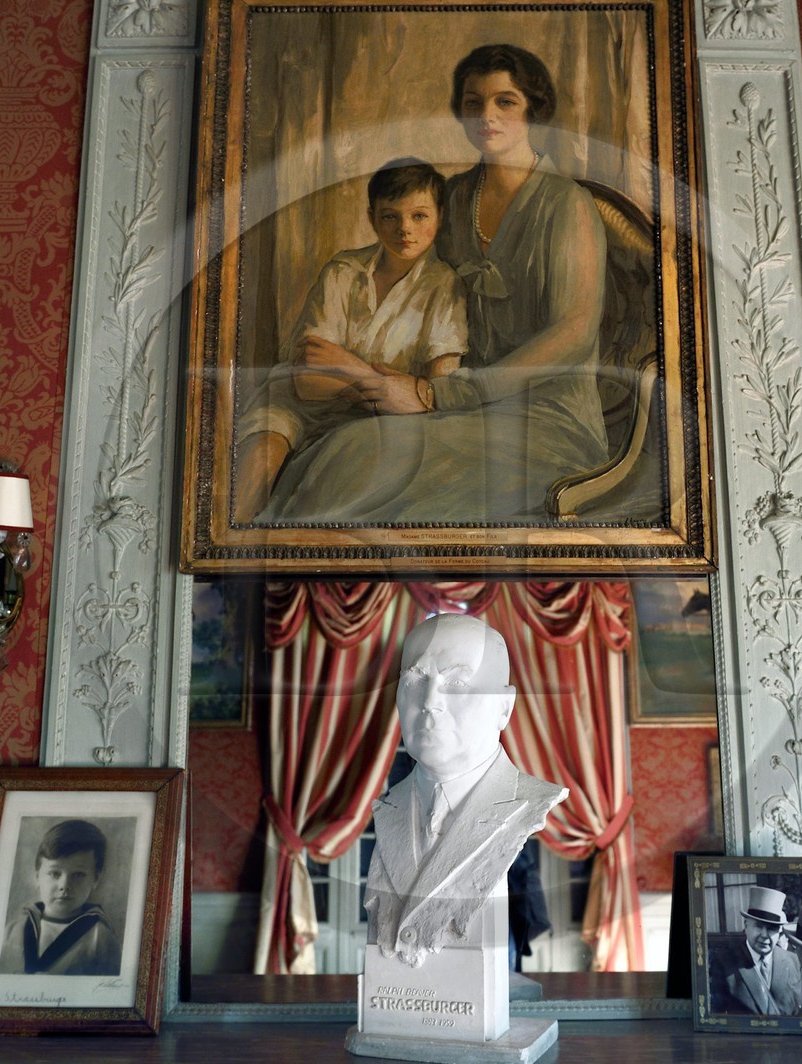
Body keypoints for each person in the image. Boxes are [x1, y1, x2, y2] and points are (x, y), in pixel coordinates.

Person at [262, 43, 608, 523]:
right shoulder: (455, 197)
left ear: (534, 107)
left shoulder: (566, 204)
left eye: (504, 101)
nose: (487, 115)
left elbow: (573, 334)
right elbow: (409, 293)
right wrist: (370, 373)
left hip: (546, 420)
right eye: (473, 103)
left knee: (362, 456)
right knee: (343, 447)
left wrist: (435, 395)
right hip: (457, 406)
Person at [232, 157, 467, 521]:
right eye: (390, 216)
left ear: (439, 216)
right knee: (263, 454)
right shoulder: (343, 271)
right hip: (300, 406)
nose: (404, 228)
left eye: (419, 216)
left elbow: (435, 392)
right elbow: (306, 382)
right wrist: (381, 386)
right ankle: (234, 554)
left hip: (382, 421)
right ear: (372, 217)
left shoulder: (445, 287)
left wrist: (347, 367)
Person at [362, 613, 567, 969]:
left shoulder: (525, 803)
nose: (429, 702)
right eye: (414, 680)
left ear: (503, 708)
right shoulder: (388, 809)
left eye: (456, 683)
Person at [0, 818, 123, 976]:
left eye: (78, 875)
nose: (64, 885)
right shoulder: (11, 931)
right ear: (37, 877)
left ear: (96, 879)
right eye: (54, 873)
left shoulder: (101, 939)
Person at [707, 885, 802, 1016]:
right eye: (759, 926)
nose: (764, 934)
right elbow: (715, 1014)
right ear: (746, 925)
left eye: (771, 928)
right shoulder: (725, 963)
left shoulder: (794, 961)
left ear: (780, 931)